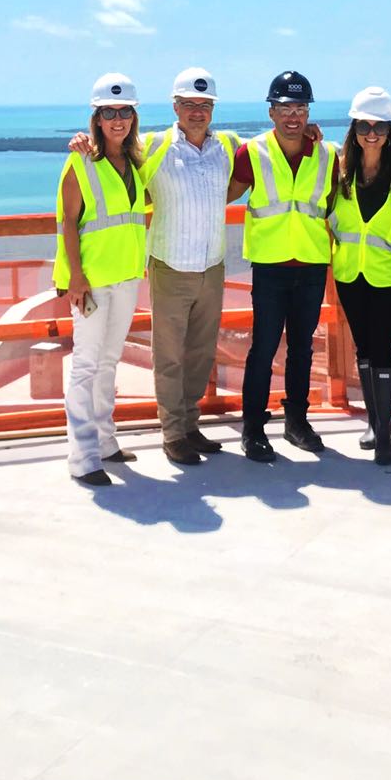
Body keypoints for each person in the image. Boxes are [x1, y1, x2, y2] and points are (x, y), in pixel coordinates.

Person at [133, 68, 241, 465]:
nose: (197, 112)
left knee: (199, 351)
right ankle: (172, 431)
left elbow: (268, 155)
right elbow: (110, 153)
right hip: (170, 264)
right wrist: (82, 143)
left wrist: (313, 136)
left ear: (213, 108)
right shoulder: (153, 145)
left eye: (205, 105)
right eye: (190, 104)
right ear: (175, 106)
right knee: (170, 354)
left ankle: (191, 424)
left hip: (211, 265)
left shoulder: (227, 147)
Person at [231, 70, 340, 462]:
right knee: (263, 347)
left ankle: (297, 422)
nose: (292, 116)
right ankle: (254, 430)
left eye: (300, 108)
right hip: (270, 265)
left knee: (303, 348)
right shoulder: (253, 152)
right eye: (284, 108)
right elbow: (220, 193)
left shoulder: (328, 154)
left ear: (308, 112)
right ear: (271, 112)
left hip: (311, 263)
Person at [52, 73, 149, 487]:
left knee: (109, 361)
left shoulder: (136, 162)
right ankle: (82, 456)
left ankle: (106, 442)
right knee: (85, 365)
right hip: (91, 282)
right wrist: (76, 277)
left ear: (133, 116)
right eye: (108, 113)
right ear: (96, 117)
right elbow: (68, 223)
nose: (117, 120)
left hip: (126, 276)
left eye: (124, 111)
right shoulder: (80, 161)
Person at [328, 87, 391, 465]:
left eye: (379, 126)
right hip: (350, 276)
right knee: (363, 348)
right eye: (364, 125)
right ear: (354, 129)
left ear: (390, 131)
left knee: (383, 349)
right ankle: (375, 423)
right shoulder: (340, 171)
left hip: (390, 278)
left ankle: (385, 431)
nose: (371, 133)